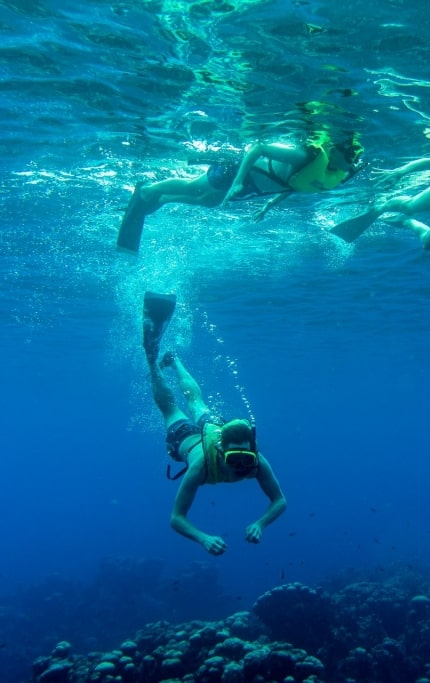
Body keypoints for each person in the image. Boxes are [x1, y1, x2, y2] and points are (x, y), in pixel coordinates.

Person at [141, 291, 287, 556]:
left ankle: (174, 361)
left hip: (215, 430)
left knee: (197, 403)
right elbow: (176, 518)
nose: (241, 466)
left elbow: (280, 501)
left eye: (245, 456)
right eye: (235, 457)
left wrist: (260, 523)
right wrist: (202, 538)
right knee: (170, 408)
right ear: (221, 450)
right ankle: (153, 360)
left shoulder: (256, 460)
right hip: (190, 442)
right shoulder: (201, 466)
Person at [118, 131, 364, 253]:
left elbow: (295, 185)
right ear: (336, 150)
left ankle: (162, 198)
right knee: (195, 188)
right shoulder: (304, 156)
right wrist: (237, 180)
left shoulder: (327, 174)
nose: (351, 164)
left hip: (253, 185)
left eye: (356, 159)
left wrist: (268, 206)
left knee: (208, 202)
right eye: (351, 155)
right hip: (239, 172)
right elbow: (258, 148)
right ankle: (149, 190)